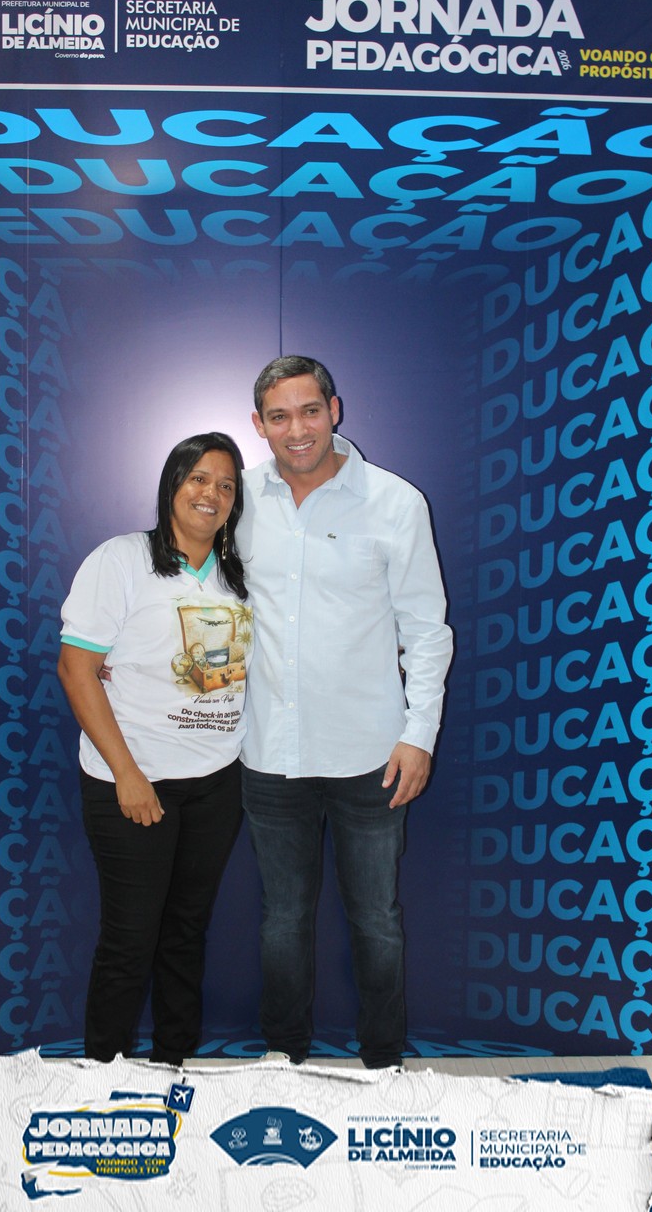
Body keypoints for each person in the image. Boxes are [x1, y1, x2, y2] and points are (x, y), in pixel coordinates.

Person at [238, 356, 452, 1070]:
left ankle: (383, 1064)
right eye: (279, 416)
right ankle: (284, 1061)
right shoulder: (237, 500)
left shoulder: (396, 502)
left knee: (376, 921)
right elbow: (191, 595)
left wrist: (419, 735)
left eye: (309, 410)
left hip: (372, 756)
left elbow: (427, 631)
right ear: (259, 425)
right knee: (282, 920)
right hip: (270, 754)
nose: (296, 429)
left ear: (335, 409)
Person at [58, 431, 252, 1066]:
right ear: (172, 484)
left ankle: (173, 1065)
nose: (211, 494)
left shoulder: (238, 575)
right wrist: (128, 774)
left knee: (185, 933)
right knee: (130, 939)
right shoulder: (121, 559)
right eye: (198, 478)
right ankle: (102, 1078)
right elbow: (76, 670)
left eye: (226, 485)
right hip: (133, 780)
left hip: (216, 782)